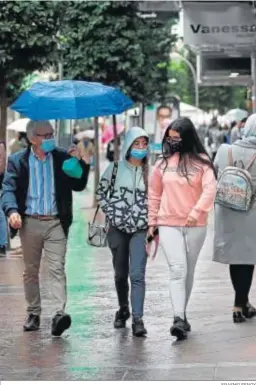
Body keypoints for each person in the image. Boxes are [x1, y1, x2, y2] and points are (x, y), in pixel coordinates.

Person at [1, 120, 90, 335]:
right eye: (45, 135)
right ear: (32, 138)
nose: (50, 138)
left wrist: (80, 162)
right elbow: (8, 189)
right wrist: (12, 211)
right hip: (29, 221)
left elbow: (78, 185)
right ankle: (33, 312)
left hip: (55, 222)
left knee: (56, 267)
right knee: (31, 270)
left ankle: (59, 313)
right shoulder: (17, 161)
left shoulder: (61, 157)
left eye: (52, 134)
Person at [148, 117, 216, 340]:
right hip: (168, 223)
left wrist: (196, 212)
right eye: (170, 137)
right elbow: (154, 194)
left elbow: (210, 190)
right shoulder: (162, 163)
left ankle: (182, 313)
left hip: (195, 224)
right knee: (178, 269)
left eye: (176, 138)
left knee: (189, 269)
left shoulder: (202, 163)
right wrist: (152, 223)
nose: (172, 141)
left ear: (187, 138)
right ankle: (178, 318)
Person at [96, 126, 148, 337]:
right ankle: (123, 308)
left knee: (137, 274)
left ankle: (138, 318)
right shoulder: (115, 169)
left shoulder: (150, 172)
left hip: (141, 230)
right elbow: (100, 192)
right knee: (120, 274)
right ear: (128, 145)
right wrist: (113, 211)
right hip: (116, 229)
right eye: (137, 143)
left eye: (144, 144)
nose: (141, 148)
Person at [213, 113, 256, 323]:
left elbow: (215, 173)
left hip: (228, 209)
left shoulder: (225, 150)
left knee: (236, 257)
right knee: (247, 258)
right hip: (252, 212)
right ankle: (240, 303)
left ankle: (241, 303)